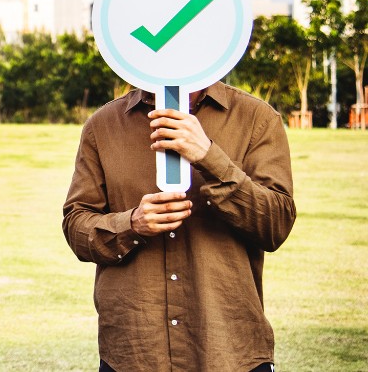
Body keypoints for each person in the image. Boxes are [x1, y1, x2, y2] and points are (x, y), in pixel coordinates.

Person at [61, 82, 296, 371]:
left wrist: (209, 156)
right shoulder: (103, 125)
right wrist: (131, 224)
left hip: (228, 351)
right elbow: (76, 225)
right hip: (135, 352)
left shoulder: (255, 118)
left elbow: (276, 226)